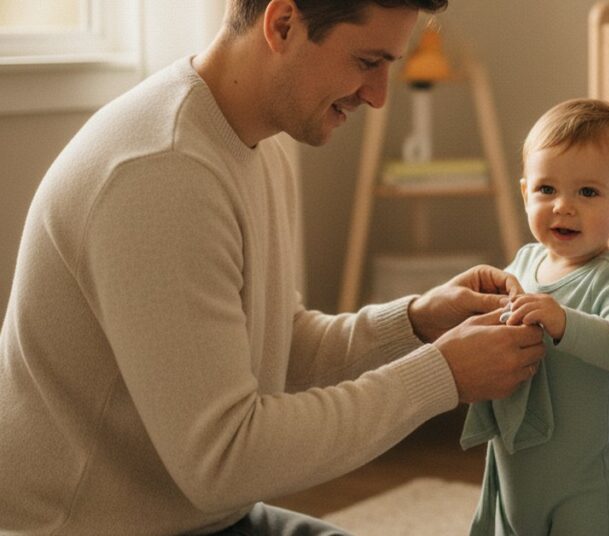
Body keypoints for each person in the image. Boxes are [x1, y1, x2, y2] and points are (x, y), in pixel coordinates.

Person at [0, 1, 547, 534]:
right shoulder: (161, 174)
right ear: (283, 23)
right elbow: (224, 460)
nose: (379, 97)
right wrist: (440, 376)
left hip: (204, 519)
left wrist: (416, 324)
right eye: (367, 62)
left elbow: (279, 348)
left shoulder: (257, 138)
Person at [460, 98, 609, 535]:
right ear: (525, 192)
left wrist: (564, 322)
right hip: (512, 467)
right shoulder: (523, 264)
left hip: (585, 483)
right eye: (547, 190)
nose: (563, 206)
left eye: (587, 192)